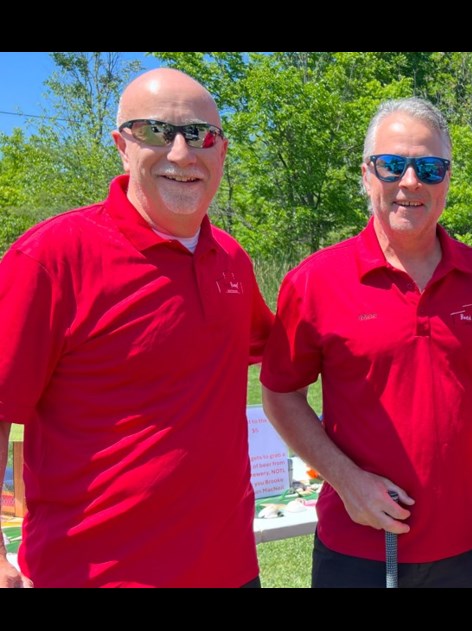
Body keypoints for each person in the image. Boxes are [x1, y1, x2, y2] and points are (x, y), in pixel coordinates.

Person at [0, 68, 274, 588]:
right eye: (155, 131)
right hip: (96, 575)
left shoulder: (231, 261)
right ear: (121, 145)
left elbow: (294, 354)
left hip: (231, 570)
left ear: (221, 150)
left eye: (200, 135)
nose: (180, 153)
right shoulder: (50, 259)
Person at [259, 97, 472, 588]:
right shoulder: (315, 281)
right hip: (357, 545)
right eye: (393, 165)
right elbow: (280, 394)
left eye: (430, 168)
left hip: (468, 549)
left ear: (447, 180)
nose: (410, 182)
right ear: (367, 175)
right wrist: (347, 481)